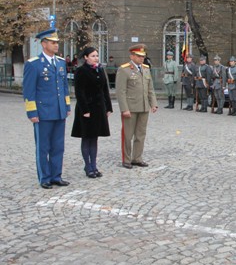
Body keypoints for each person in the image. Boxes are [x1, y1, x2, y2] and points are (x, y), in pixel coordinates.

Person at [23, 29, 71, 189]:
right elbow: (29, 91)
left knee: (58, 146)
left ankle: (56, 176)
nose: (56, 45)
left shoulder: (60, 62)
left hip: (58, 111)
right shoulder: (33, 64)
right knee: (43, 147)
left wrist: (67, 106)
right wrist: (32, 112)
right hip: (43, 113)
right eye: (53, 42)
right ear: (44, 44)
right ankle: (45, 177)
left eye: (57, 42)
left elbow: (64, 87)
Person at [71, 47, 112, 178]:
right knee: (86, 137)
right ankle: (88, 166)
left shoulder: (100, 69)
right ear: (86, 57)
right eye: (93, 56)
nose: (96, 58)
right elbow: (79, 92)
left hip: (99, 108)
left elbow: (105, 89)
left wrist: (108, 107)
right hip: (87, 109)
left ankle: (94, 165)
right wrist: (85, 110)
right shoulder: (81, 71)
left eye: (97, 55)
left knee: (94, 138)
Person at [116, 44, 158, 169]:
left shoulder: (145, 68)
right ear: (132, 56)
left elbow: (150, 88)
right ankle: (127, 159)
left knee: (140, 134)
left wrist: (153, 103)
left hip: (144, 106)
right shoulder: (124, 69)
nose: (142, 59)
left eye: (143, 56)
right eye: (139, 56)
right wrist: (124, 109)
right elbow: (121, 91)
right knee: (128, 135)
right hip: (131, 107)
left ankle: (137, 158)